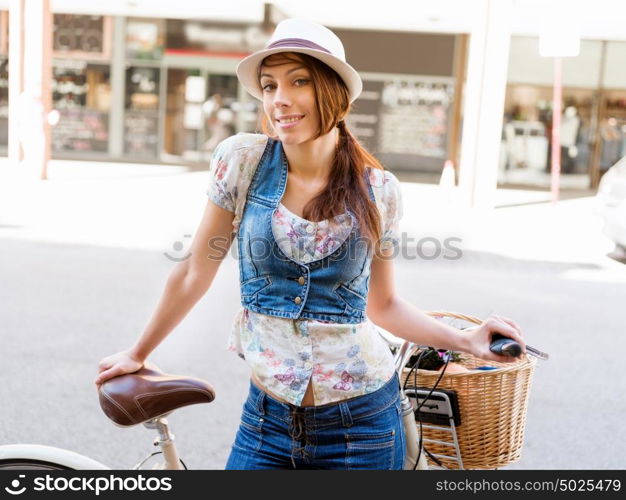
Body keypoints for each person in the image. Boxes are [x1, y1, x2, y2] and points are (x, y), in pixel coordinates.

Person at [95, 19, 526, 470]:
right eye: (269, 85)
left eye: (298, 81)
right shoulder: (242, 161)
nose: (279, 98)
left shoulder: (379, 190)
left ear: (334, 92)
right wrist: (138, 353)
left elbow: (383, 305)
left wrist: (466, 341)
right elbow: (192, 272)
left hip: (363, 427)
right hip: (267, 423)